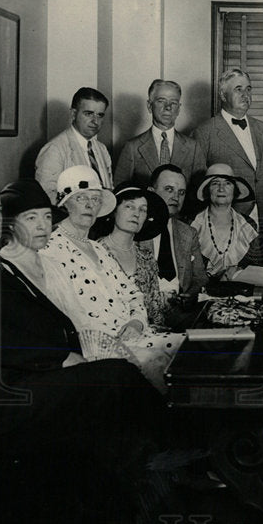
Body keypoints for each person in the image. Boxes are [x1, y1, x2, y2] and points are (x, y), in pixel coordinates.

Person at [0, 178, 172, 524]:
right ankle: (162, 505)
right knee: (117, 380)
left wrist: (72, 351)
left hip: (18, 389)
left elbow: (30, 324)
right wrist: (65, 360)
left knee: (118, 418)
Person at [41, 166, 182, 387]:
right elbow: (68, 314)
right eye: (81, 198)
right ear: (64, 203)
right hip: (100, 351)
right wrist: (115, 344)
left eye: (96, 199)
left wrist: (136, 323)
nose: (90, 205)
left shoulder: (98, 250)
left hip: (136, 336)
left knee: (189, 353)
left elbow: (134, 295)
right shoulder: (50, 249)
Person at [192, 67, 263, 220]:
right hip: (227, 219)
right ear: (223, 95)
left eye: (248, 89)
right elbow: (198, 186)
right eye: (238, 89)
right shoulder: (204, 132)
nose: (245, 95)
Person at [95, 184, 171, 328]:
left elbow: (155, 313)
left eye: (143, 210)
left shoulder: (147, 258)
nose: (136, 213)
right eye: (129, 206)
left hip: (145, 337)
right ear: (114, 211)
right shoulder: (95, 252)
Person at [113, 79, 204, 188]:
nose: (168, 107)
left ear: (179, 109)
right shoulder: (132, 147)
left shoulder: (193, 147)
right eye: (161, 101)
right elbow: (120, 189)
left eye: (173, 102)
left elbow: (200, 191)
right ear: (149, 106)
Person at [36, 87, 114, 197]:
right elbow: (47, 196)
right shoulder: (55, 149)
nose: (95, 121)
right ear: (73, 114)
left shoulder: (101, 149)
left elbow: (109, 189)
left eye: (100, 115)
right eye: (88, 114)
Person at [147, 164, 207, 302]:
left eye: (181, 192)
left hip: (180, 311)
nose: (176, 197)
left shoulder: (188, 233)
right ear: (151, 192)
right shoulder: (135, 229)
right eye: (169, 189)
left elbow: (200, 278)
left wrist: (191, 295)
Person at [190, 162, 259, 279]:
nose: (221, 189)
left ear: (235, 190)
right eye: (215, 183)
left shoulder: (248, 224)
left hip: (240, 293)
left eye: (227, 183)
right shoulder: (191, 224)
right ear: (207, 190)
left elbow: (256, 266)